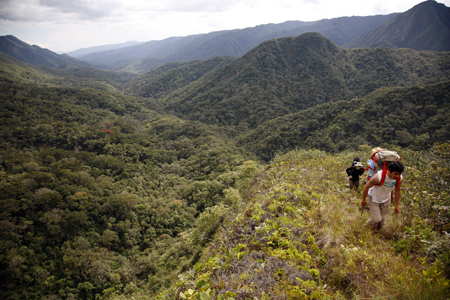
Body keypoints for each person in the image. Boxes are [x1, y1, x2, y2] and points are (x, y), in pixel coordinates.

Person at [361, 161, 404, 231]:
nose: (397, 176)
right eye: (395, 174)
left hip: (386, 198)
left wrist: (397, 205)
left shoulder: (400, 179)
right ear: (389, 171)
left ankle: (377, 233)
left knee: (383, 220)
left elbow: (397, 190)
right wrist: (363, 200)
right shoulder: (378, 177)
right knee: (376, 219)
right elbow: (366, 187)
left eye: (399, 174)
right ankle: (364, 229)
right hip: (374, 198)